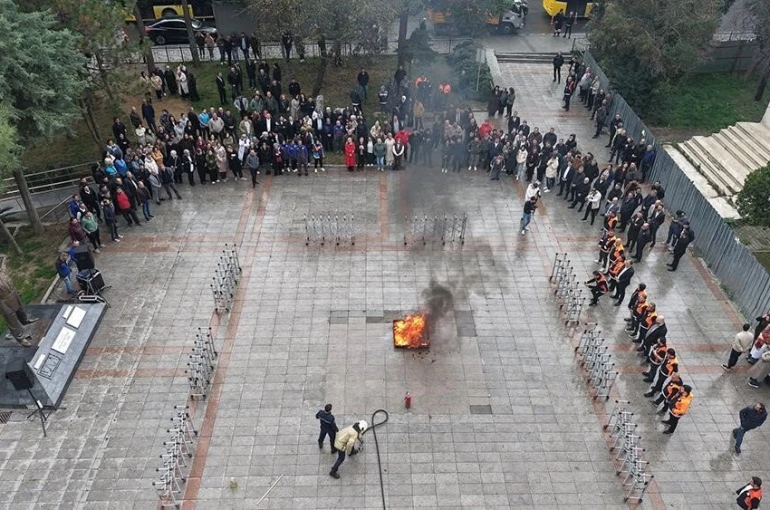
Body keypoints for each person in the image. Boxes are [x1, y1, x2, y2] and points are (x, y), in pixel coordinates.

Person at [0, 270, 39, 347]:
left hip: (12, 294)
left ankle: (25, 320)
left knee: (20, 310)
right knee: (12, 320)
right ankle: (21, 338)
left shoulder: (2, 272)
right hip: (3, 301)